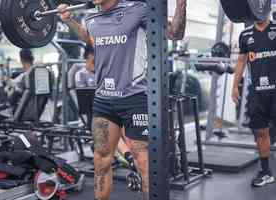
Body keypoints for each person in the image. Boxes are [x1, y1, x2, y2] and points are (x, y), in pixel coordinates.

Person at [57, 0, 187, 199]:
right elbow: (91, 39)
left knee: (144, 163)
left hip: (136, 98)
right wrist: (69, 21)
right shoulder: (91, 16)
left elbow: (175, 34)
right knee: (100, 160)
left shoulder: (139, 10)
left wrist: (180, 5)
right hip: (103, 100)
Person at [232, 17, 276, 187]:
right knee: (261, 132)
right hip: (257, 92)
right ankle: (266, 172)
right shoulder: (246, 34)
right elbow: (241, 61)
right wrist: (235, 85)